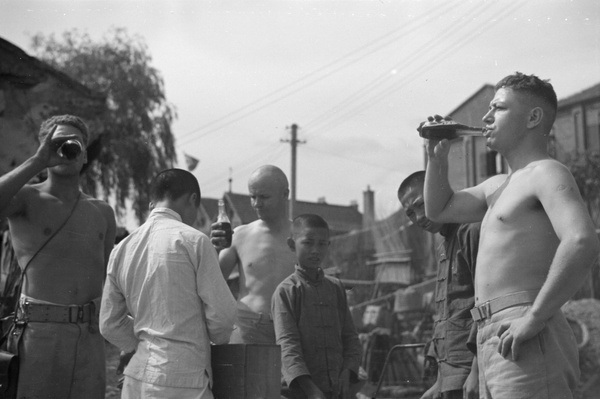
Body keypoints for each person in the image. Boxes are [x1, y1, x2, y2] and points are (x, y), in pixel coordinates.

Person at [423, 72, 600, 398]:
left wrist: (533, 318)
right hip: (491, 333)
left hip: (526, 325)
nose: (486, 117)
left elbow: (581, 241)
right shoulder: (496, 186)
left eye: (499, 108)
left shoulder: (546, 172)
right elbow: (440, 209)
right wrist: (437, 158)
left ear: (533, 117)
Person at [0, 114, 116, 398]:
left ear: (85, 153)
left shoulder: (102, 212)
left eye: (74, 142)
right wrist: (38, 161)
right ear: (44, 147)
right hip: (39, 334)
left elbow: (110, 280)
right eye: (58, 142)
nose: (67, 148)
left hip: (89, 335)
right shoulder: (26, 198)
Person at [100, 168, 236, 399]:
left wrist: (147, 343)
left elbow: (108, 323)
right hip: (183, 377)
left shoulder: (122, 248)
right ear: (192, 199)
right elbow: (223, 318)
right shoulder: (194, 241)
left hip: (137, 375)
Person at [398, 171, 479, 399]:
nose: (418, 217)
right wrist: (439, 383)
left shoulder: (470, 230)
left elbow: (485, 303)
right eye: (410, 213)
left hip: (471, 370)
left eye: (420, 204)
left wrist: (476, 370)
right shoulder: (442, 246)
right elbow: (448, 313)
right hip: (451, 375)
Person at [272, 214, 362, 399]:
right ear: (292, 244)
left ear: (328, 246)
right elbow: (287, 345)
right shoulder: (286, 292)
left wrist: (347, 372)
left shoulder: (336, 287)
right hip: (301, 392)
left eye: (322, 244)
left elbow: (350, 337)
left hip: (338, 390)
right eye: (308, 243)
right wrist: (312, 391)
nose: (315, 250)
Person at [211, 164, 296, 344]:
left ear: (285, 194)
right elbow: (211, 282)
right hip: (248, 326)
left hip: (292, 328)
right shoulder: (240, 235)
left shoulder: (302, 237)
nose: (257, 204)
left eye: (264, 197)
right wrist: (214, 249)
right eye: (253, 196)